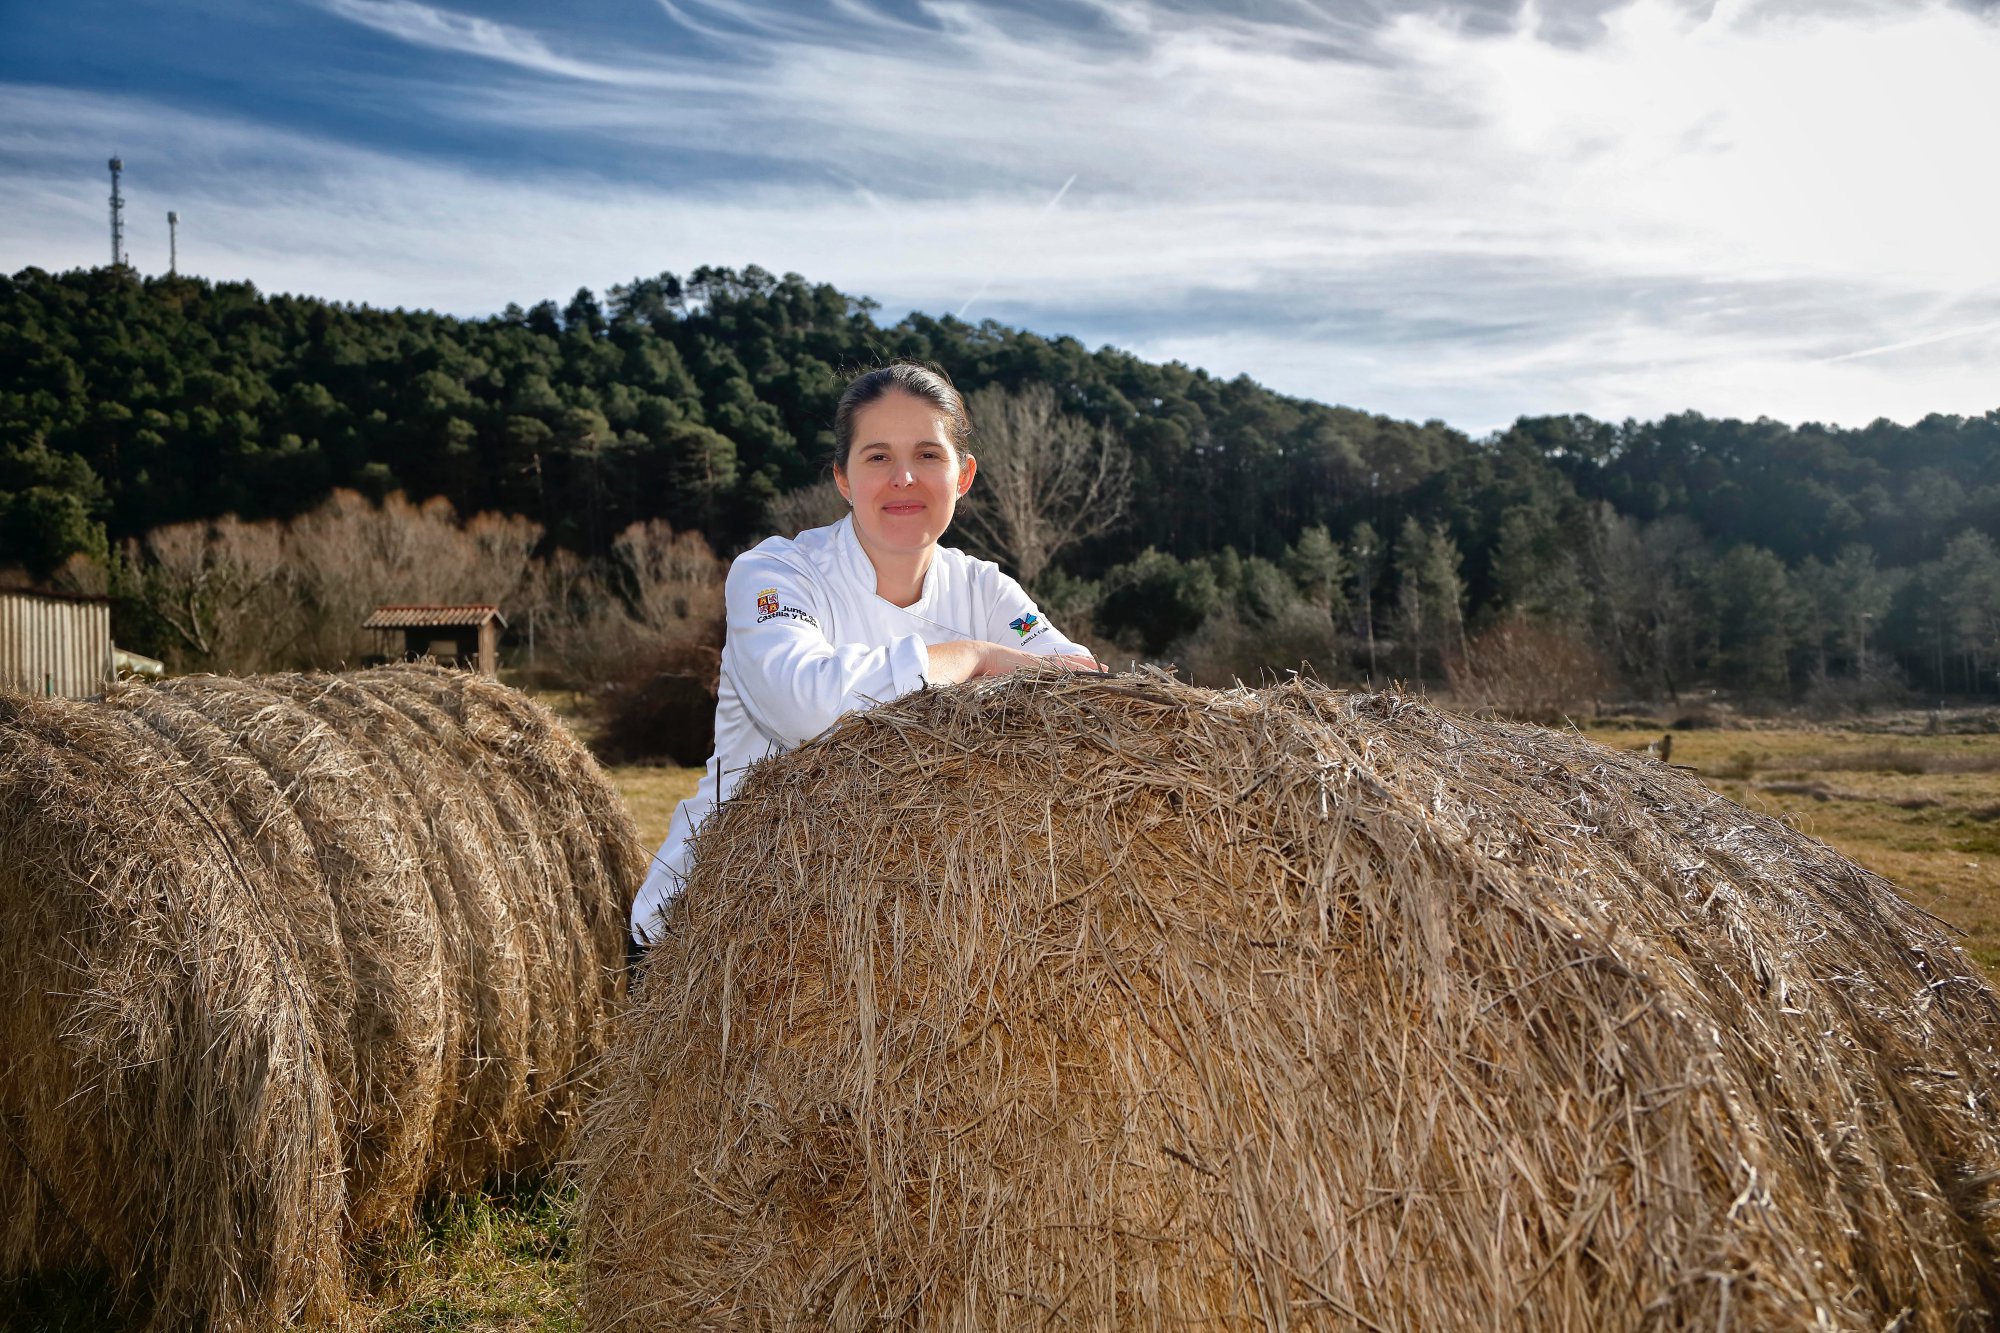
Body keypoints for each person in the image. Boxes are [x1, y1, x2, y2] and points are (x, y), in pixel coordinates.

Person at [629, 363, 1103, 946]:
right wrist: (971, 658)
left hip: (901, 927)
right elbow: (807, 709)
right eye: (878, 457)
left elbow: (1081, 689)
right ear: (843, 479)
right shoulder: (775, 575)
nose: (904, 477)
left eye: (929, 455)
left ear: (964, 476)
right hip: (719, 925)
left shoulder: (986, 589)